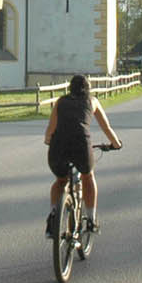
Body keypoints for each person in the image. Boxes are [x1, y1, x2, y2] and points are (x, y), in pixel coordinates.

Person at [43, 73, 123, 237]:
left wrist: (49, 141)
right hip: (81, 144)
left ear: (70, 88)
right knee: (87, 176)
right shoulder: (92, 101)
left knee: (60, 181)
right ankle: (92, 220)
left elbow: (49, 132)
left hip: (58, 146)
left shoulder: (60, 102)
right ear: (88, 89)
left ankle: (53, 218)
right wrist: (116, 144)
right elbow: (106, 127)